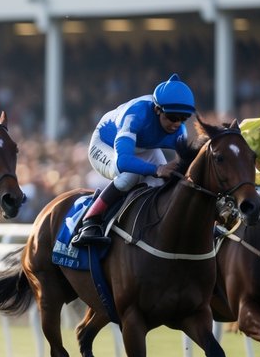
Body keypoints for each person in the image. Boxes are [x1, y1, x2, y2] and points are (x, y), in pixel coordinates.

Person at [72, 73, 195, 246]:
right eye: (173, 117)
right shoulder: (135, 115)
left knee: (162, 183)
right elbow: (123, 162)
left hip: (142, 149)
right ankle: (91, 220)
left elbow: (185, 170)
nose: (177, 124)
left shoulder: (180, 130)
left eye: (183, 118)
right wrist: (156, 169)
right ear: (157, 109)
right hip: (105, 145)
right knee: (128, 176)